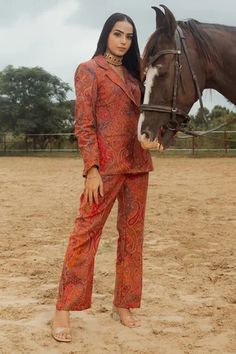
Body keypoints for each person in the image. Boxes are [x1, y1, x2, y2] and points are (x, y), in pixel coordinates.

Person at [51, 12, 153, 342]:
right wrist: (91, 169)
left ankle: (123, 304)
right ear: (106, 35)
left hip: (138, 164)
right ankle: (63, 308)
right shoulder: (89, 70)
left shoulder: (139, 76)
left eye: (129, 36)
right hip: (104, 167)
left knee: (132, 238)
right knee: (85, 234)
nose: (123, 41)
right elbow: (84, 123)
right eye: (118, 34)